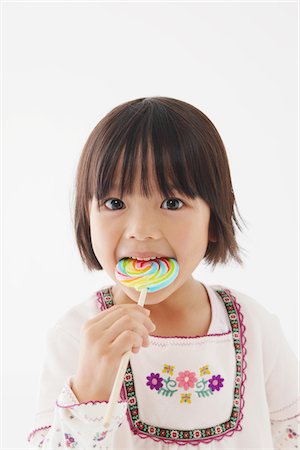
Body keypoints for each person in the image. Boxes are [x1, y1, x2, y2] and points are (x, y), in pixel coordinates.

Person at [27, 97, 299, 449]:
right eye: (115, 203)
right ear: (87, 216)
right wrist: (89, 388)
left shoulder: (255, 327)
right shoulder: (75, 337)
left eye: (171, 203)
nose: (141, 230)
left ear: (215, 217)